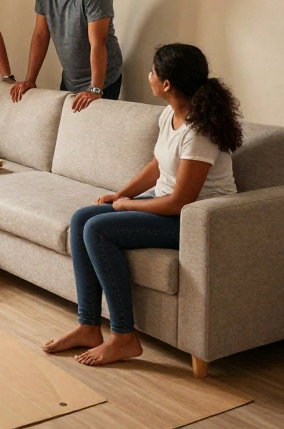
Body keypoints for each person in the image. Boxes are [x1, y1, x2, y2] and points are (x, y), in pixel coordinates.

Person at [41, 43, 241, 366]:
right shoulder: (170, 114)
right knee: (81, 220)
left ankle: (124, 336)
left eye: (153, 71)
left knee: (97, 231)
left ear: (166, 84)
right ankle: (88, 326)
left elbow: (181, 201)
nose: (149, 75)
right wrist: (120, 195)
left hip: (194, 221)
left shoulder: (199, 131)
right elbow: (158, 165)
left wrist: (130, 207)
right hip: (166, 205)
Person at [10, 0, 123, 112]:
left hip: (102, 80)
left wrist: (95, 89)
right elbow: (41, 34)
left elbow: (98, 43)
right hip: (71, 78)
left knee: (92, 136)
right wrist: (30, 79)